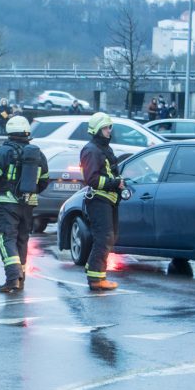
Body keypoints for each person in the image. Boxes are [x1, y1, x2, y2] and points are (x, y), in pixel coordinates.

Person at [0, 116, 49, 293]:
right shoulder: (38, 154)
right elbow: (43, 182)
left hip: (6, 203)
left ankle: (12, 278)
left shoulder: (2, 153)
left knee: (6, 238)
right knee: (22, 239)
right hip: (29, 205)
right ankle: (21, 277)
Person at [80, 113, 123, 291]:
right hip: (98, 200)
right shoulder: (91, 150)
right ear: (97, 130)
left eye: (110, 127)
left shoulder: (105, 148)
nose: (109, 131)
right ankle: (97, 280)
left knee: (109, 237)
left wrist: (119, 182)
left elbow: (110, 171)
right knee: (104, 238)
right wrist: (114, 183)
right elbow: (92, 179)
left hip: (109, 199)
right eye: (106, 128)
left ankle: (95, 270)